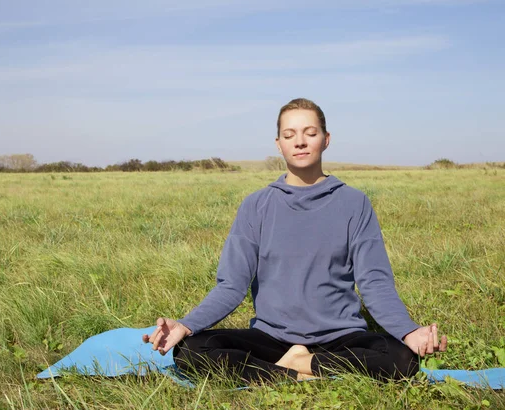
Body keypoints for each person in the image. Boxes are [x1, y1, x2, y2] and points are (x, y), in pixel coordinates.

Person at [143, 98, 447, 383]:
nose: (299, 141)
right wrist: (185, 325)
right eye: (289, 135)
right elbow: (231, 285)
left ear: (326, 139)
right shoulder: (256, 205)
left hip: (339, 338)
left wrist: (409, 332)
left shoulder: (354, 203)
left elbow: (375, 282)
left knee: (401, 357)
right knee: (191, 351)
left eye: (310, 133)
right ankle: (297, 371)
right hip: (272, 338)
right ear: (279, 145)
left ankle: (298, 367)